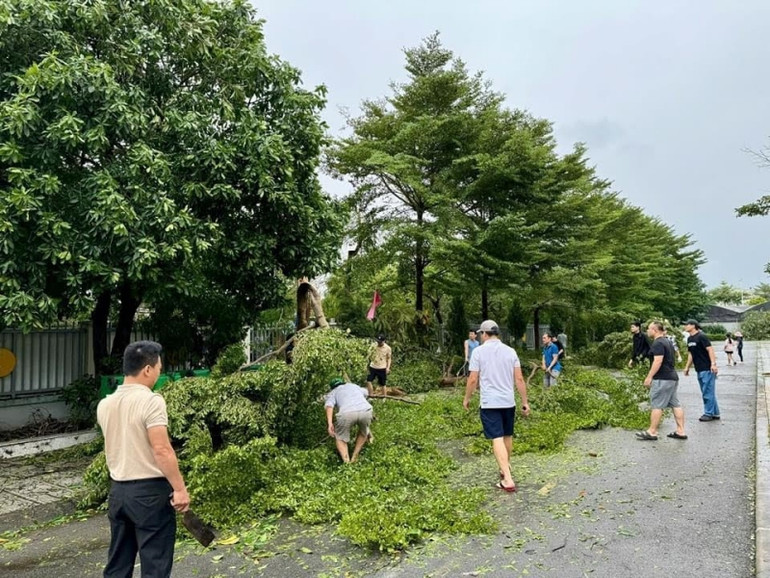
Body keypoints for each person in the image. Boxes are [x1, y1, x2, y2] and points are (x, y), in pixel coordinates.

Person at [96, 341, 190, 578]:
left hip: (118, 493)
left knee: (118, 563)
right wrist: (179, 489)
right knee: (155, 564)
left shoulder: (105, 404)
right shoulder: (151, 401)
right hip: (149, 494)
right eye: (159, 368)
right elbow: (161, 449)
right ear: (147, 369)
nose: (159, 373)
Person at [463, 320, 530, 492]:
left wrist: (467, 398)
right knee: (507, 435)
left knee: (497, 437)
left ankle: (507, 479)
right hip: (508, 401)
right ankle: (504, 467)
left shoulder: (478, 352)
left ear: (484, 334)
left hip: (489, 403)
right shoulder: (510, 351)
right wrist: (524, 402)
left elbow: (472, 379)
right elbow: (519, 379)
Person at [636, 321, 687, 441]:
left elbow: (658, 361)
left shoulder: (658, 343)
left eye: (648, 329)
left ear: (655, 330)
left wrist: (649, 377)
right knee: (675, 404)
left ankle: (652, 431)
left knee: (657, 404)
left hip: (662, 378)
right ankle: (681, 431)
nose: (647, 331)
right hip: (672, 377)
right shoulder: (667, 341)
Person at [325, 377, 374, 463]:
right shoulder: (353, 386)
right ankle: (355, 456)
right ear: (343, 383)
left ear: (332, 387)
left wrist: (330, 424)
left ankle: (347, 462)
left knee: (340, 438)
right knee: (363, 432)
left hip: (347, 413)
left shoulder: (333, 392)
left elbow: (329, 406)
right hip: (366, 410)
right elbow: (367, 393)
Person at [683, 319, 720, 421]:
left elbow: (710, 349)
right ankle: (715, 413)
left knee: (707, 391)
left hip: (707, 368)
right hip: (698, 368)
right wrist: (687, 367)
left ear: (693, 326)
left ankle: (708, 413)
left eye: (686, 324)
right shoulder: (690, 339)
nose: (685, 326)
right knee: (708, 390)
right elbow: (691, 354)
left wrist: (713, 364)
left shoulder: (701, 336)